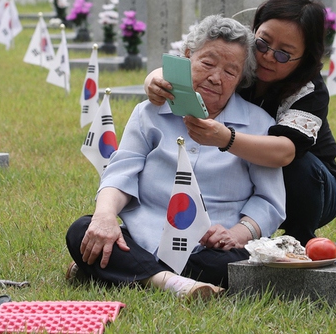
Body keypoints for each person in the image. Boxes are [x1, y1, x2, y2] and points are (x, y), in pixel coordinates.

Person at [65, 15, 285, 300]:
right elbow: (121, 172)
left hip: (213, 248)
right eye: (207, 63)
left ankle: (122, 272)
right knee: (83, 230)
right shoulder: (149, 113)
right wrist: (105, 217)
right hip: (145, 237)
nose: (216, 78)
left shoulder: (259, 126)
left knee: (242, 268)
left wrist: (238, 234)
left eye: (231, 72)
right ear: (187, 57)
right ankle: (171, 282)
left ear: (241, 79)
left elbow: (270, 200)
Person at [145, 0, 336, 244]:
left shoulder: (308, 90)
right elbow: (194, 64)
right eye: (263, 43)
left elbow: (284, 152)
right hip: (249, 171)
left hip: (314, 186)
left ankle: (298, 236)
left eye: (284, 54)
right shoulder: (238, 63)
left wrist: (226, 138)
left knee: (289, 161)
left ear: (304, 58)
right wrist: (155, 78)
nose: (268, 57)